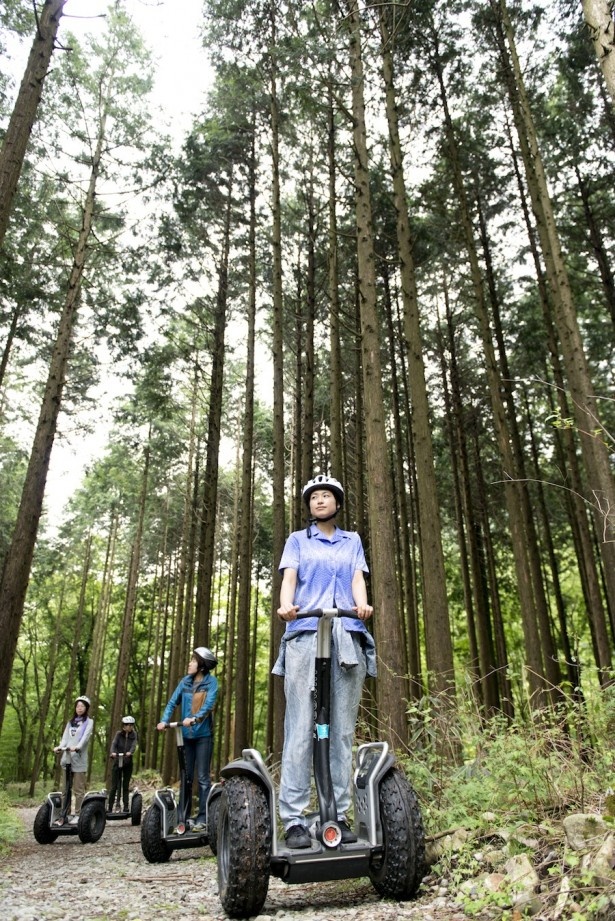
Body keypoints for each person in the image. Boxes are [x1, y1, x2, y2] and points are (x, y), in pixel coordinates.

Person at [273, 474, 376, 849]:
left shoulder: (352, 541)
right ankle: (295, 819)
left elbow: (357, 579)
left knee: (341, 731)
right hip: (304, 633)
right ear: (309, 505)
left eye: (326, 495)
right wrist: (286, 606)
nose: (319, 501)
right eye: (314, 496)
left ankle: (339, 814)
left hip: (345, 634)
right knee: (301, 725)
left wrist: (361, 605)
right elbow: (290, 579)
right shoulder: (298, 541)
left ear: (337, 502)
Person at [157, 646, 218, 831]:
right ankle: (184, 817)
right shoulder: (185, 682)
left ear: (201, 665)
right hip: (186, 736)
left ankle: (203, 817)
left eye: (193, 660)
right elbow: (172, 702)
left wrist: (195, 718)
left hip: (203, 736)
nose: (189, 663)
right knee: (186, 776)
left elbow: (208, 705)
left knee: (202, 777)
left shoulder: (211, 683)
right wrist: (164, 720)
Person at [54, 694, 94, 818]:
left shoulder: (89, 722)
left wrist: (77, 747)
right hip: (67, 759)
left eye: (82, 706)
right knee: (65, 789)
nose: (79, 708)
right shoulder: (70, 723)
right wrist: (59, 747)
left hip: (79, 758)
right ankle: (64, 813)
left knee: (78, 789)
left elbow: (85, 738)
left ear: (86, 708)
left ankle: (78, 815)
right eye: (78, 706)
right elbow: (65, 738)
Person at [108, 715, 138, 812]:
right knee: (114, 786)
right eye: (127, 725)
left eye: (131, 725)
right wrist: (113, 753)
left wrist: (130, 752)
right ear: (123, 726)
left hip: (127, 762)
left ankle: (125, 806)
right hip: (117, 761)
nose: (129, 727)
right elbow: (114, 744)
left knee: (125, 785)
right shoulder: (118, 734)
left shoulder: (134, 734)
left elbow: (134, 745)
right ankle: (110, 807)